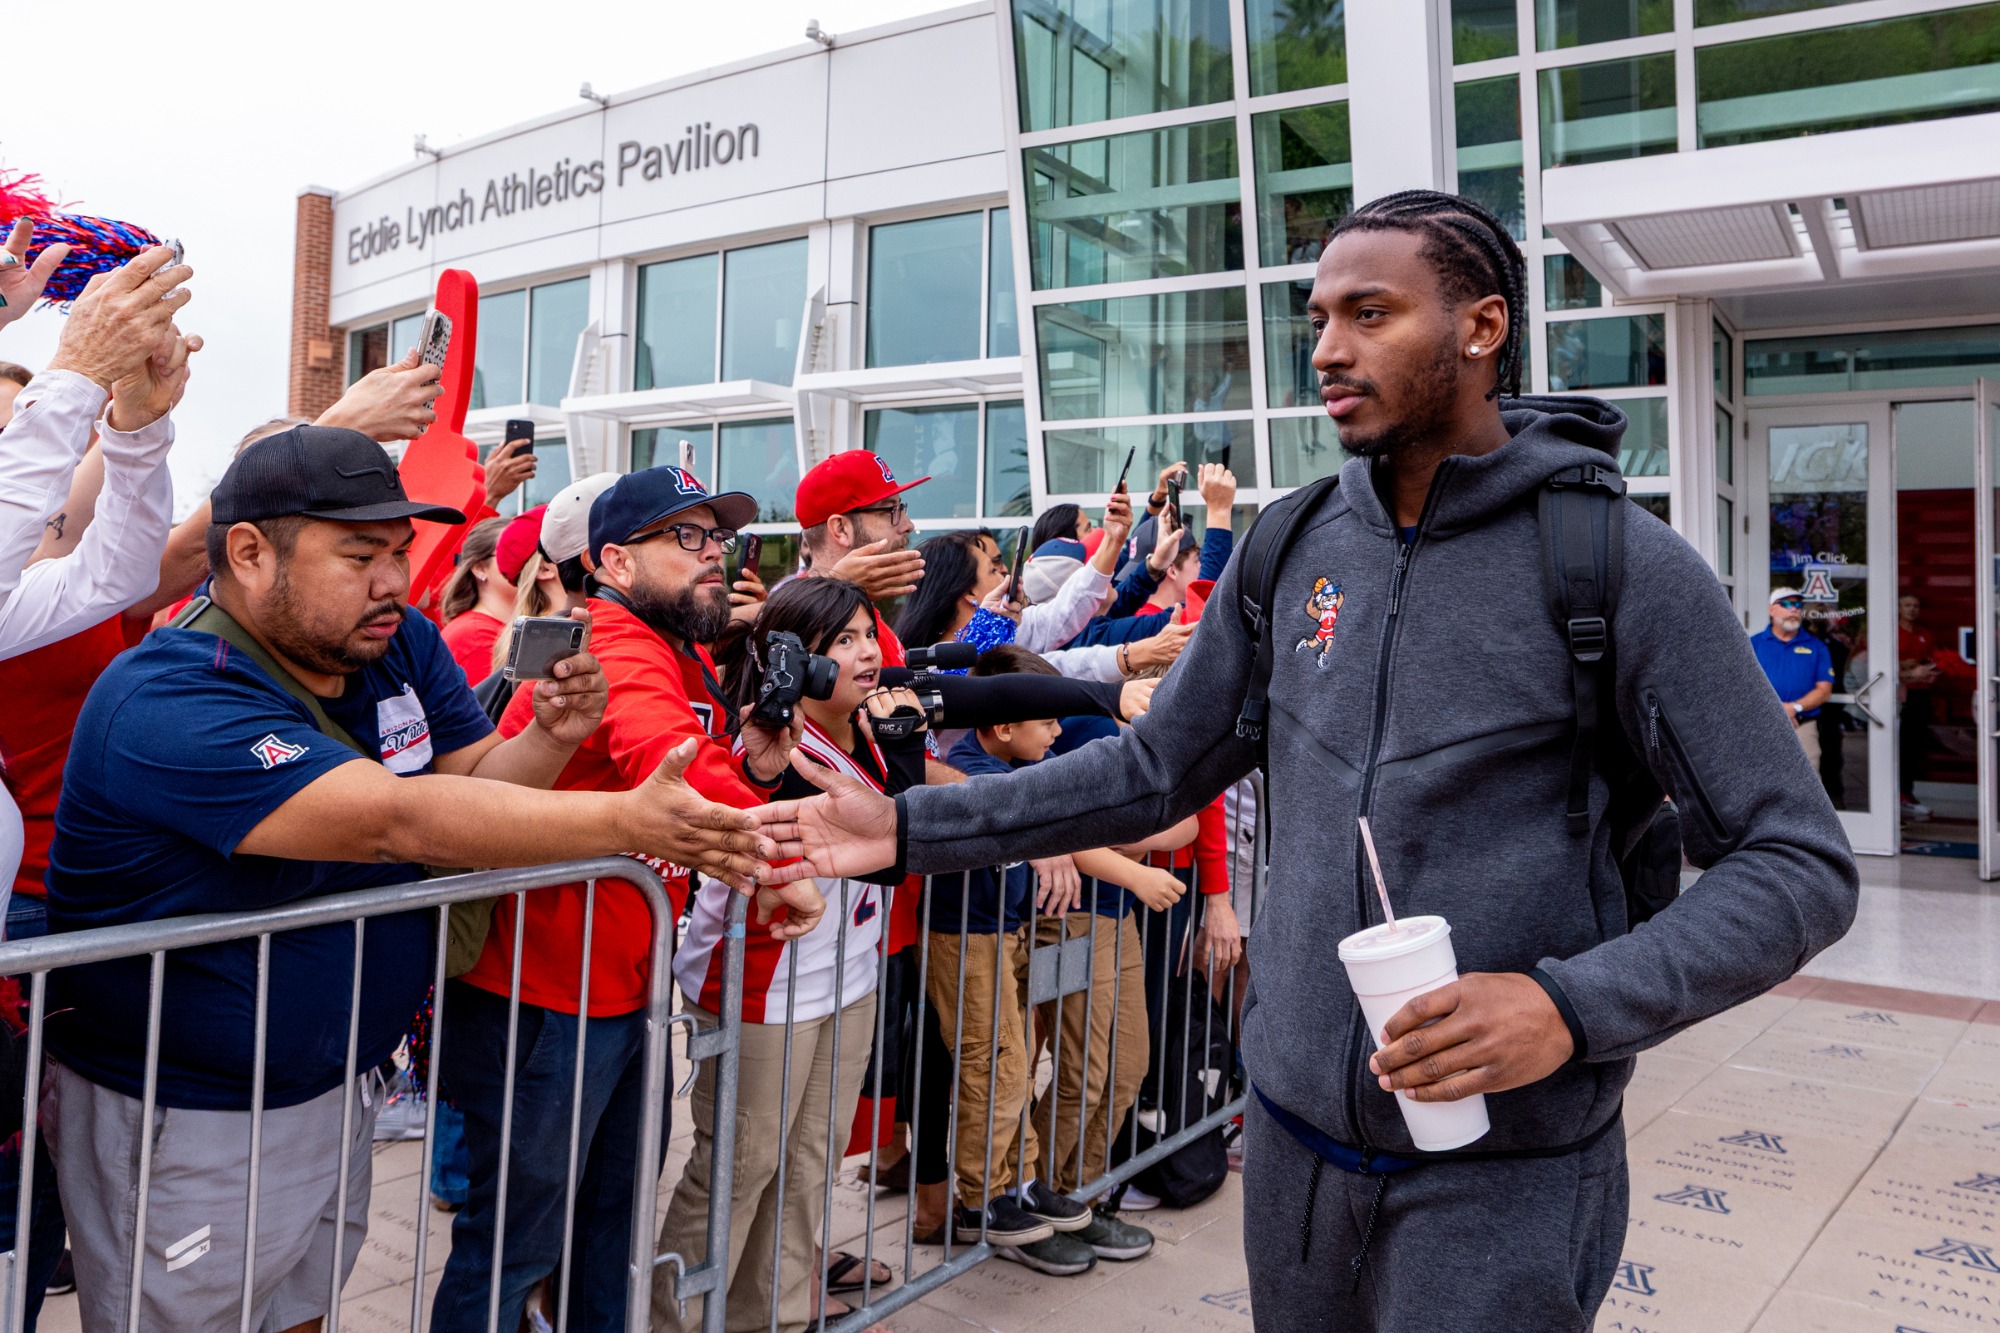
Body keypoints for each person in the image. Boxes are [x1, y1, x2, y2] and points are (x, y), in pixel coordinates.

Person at [750, 188, 1859, 1332]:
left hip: (1506, 1171)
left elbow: (1796, 864)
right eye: (1317, 316)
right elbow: (1150, 772)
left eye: (1368, 313)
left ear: (1480, 329)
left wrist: (1566, 1006)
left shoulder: (1618, 564)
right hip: (1287, 1151)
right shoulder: (1291, 543)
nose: (1326, 349)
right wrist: (908, 830)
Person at [43, 426, 784, 1333]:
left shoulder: (395, 642)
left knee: (300, 1310)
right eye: (359, 555)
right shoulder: (170, 691)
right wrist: (630, 821)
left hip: (338, 1076)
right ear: (247, 553)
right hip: (195, 1108)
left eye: (399, 552)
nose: (394, 581)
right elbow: (394, 820)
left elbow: (474, 787)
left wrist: (546, 738)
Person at [436, 464, 820, 1333]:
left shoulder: (672, 644)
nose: (713, 557)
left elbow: (691, 762)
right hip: (544, 995)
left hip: (619, 989)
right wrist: (777, 862)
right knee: (516, 1242)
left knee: (607, 1232)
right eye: (687, 538)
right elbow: (667, 760)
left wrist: (754, 768)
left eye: (716, 537)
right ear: (613, 561)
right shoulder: (611, 640)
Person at [656, 578, 919, 1332]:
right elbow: (749, 798)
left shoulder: (871, 728)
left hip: (850, 976)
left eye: (871, 632)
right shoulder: (769, 745)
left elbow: (904, 837)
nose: (868, 651)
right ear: (794, 659)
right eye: (843, 640)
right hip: (761, 985)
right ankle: (675, 1321)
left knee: (811, 1163)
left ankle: (774, 1315)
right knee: (740, 1170)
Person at [919, 647, 1183, 1277]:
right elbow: (1043, 823)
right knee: (1001, 1069)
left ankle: (1035, 1188)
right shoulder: (974, 772)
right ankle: (991, 1196)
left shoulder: (1008, 766)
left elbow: (1181, 827)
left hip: (1004, 933)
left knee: (1025, 1066)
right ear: (1004, 725)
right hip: (972, 938)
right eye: (1047, 721)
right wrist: (1126, 869)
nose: (1060, 732)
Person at [1751, 588, 1835, 768]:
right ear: (1771, 610)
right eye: (1786, 604)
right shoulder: (1753, 644)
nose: (1793, 609)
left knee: (1809, 784)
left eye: (1797, 604)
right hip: (1762, 725)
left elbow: (1824, 690)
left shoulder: (1816, 646)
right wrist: (1777, 710)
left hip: (1802, 726)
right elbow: (1742, 687)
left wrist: (1794, 708)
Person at [436, 515, 515, 680]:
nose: (527, 561)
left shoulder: (481, 628)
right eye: (513, 551)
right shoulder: (476, 637)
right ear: (480, 568)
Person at [1896, 592, 1940, 820]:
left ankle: (1908, 795)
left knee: (1914, 750)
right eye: (1907, 605)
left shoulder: (1926, 635)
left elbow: (1932, 664)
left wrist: (1924, 672)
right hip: (1898, 698)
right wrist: (1906, 669)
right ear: (1899, 608)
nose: (1912, 609)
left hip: (1920, 698)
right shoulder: (1891, 632)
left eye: (1916, 605)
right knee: (1900, 749)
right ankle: (1899, 796)